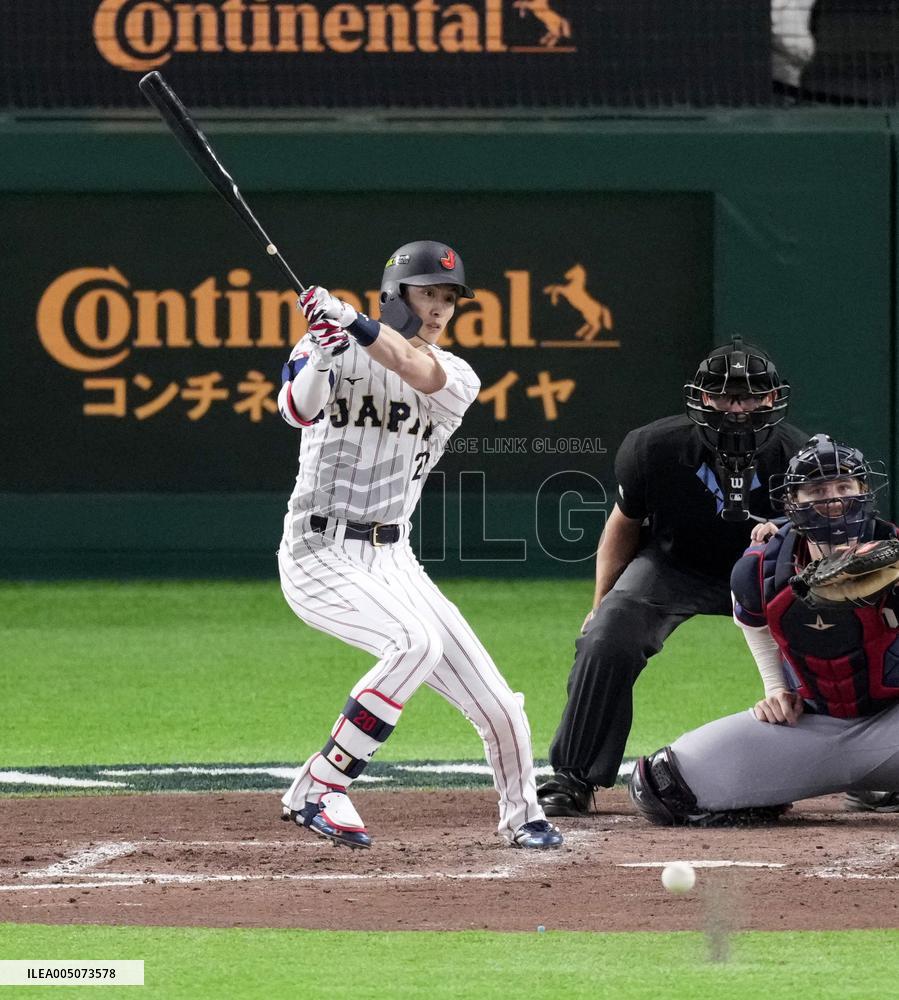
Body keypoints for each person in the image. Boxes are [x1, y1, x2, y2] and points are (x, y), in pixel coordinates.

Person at [276, 240, 563, 850]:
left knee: (499, 704)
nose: (438, 309)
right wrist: (325, 358)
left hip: (392, 557)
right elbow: (297, 412)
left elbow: (415, 369)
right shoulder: (328, 346)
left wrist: (352, 321)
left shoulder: (458, 375)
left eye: (448, 299)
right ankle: (321, 786)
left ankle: (524, 815)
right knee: (414, 642)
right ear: (396, 294)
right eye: (427, 293)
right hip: (317, 550)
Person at [537, 338, 807, 817]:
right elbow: (623, 524)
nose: (738, 409)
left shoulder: (797, 456)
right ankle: (573, 775)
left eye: (750, 396)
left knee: (836, 635)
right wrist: (601, 603)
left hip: (768, 572)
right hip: (673, 565)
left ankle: (861, 769)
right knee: (608, 635)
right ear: (702, 398)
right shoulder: (652, 447)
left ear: (772, 399)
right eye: (725, 396)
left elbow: (813, 541)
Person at [628, 434, 899, 825]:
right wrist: (776, 689)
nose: (834, 499)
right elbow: (753, 624)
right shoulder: (763, 568)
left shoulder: (893, 553)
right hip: (811, 724)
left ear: (863, 491)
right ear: (793, 504)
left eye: (844, 486)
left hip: (891, 721)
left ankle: (881, 785)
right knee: (664, 784)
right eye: (818, 490)